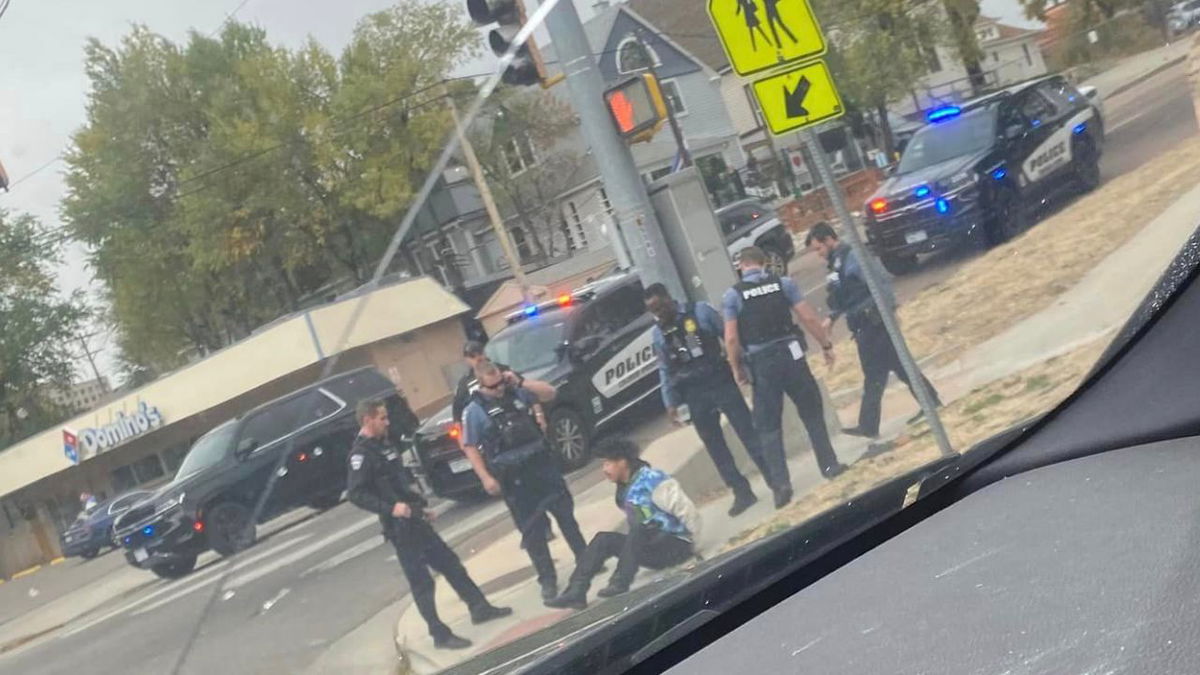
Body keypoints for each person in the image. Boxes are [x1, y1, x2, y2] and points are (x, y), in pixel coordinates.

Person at [347, 399, 511, 650]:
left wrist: (420, 507)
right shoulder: (361, 455)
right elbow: (357, 494)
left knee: (451, 564)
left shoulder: (384, 445)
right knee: (422, 582)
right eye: (382, 418)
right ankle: (439, 634)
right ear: (368, 420)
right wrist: (391, 509)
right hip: (399, 527)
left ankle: (479, 607)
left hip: (415, 518)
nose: (387, 422)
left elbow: (399, 484)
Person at [723, 246, 847, 508]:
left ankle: (781, 486)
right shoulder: (783, 283)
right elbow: (808, 317)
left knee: (768, 426)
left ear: (742, 266)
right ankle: (829, 465)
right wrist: (825, 345)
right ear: (764, 263)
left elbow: (731, 338)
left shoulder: (733, 295)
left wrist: (737, 369)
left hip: (762, 364)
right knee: (812, 411)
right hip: (792, 357)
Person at [461, 362, 588, 601]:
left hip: (542, 466)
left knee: (566, 516)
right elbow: (470, 447)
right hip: (514, 478)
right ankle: (547, 580)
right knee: (533, 533)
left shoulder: (517, 392)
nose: (499, 389)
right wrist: (486, 478)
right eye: (494, 386)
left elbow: (550, 392)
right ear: (481, 384)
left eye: (500, 382)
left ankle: (586, 559)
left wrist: (518, 381)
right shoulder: (474, 410)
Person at [805, 223, 942, 438]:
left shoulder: (854, 257)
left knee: (875, 373)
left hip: (874, 321)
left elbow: (879, 282)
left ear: (829, 240)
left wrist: (891, 309)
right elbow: (844, 295)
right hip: (864, 323)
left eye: (818, 249)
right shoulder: (837, 263)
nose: (818, 255)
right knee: (900, 365)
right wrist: (831, 318)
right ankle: (930, 401)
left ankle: (869, 425)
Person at [645, 283, 765, 517]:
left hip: (719, 380)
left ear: (670, 298)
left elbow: (728, 336)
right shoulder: (658, 334)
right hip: (694, 392)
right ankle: (742, 492)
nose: (659, 314)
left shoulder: (700, 311)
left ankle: (774, 478)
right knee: (715, 446)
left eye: (660, 307)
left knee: (748, 431)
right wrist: (669, 402)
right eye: (654, 311)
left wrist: (743, 367)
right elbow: (665, 369)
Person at [545, 437, 700, 609]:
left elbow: (686, 509)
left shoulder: (653, 480)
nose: (604, 469)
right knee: (603, 539)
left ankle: (619, 583)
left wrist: (693, 543)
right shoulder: (624, 488)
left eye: (607, 464)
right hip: (650, 547)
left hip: (675, 546)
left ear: (622, 462)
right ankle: (576, 592)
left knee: (639, 528)